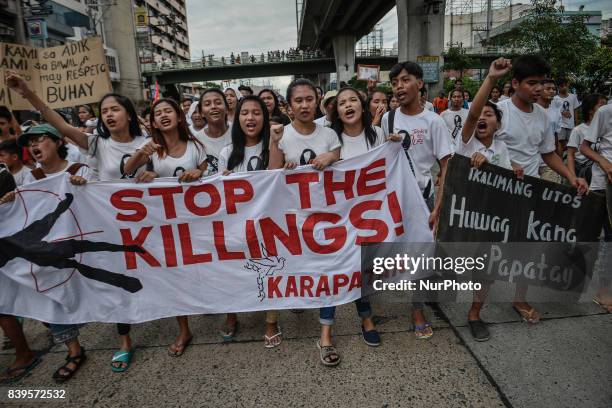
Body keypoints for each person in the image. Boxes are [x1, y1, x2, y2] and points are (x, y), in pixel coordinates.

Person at [6, 71, 148, 372]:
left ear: (128, 114)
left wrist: (151, 175)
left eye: (115, 109)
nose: (108, 114)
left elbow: (161, 176)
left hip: (144, 221)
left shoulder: (147, 142)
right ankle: (124, 341)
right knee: (115, 281)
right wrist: (28, 93)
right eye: (104, 110)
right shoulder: (96, 144)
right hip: (107, 222)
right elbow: (56, 122)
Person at [494, 55, 588, 323]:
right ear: (514, 83)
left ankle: (519, 298)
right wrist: (508, 164)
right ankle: (475, 306)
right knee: (490, 249)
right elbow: (488, 149)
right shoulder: (500, 111)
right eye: (532, 83)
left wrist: (572, 177)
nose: (538, 89)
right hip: (499, 191)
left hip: (530, 191)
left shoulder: (544, 117)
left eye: (542, 83)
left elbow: (548, 154)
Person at [1, 124, 92, 382]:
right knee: (47, 285)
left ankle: (124, 340)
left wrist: (84, 185)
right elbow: (27, 214)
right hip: (55, 247)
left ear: (57, 142)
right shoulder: (33, 178)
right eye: (31, 143)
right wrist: (11, 203)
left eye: (40, 140)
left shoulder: (80, 169)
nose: (34, 147)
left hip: (85, 242)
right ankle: (73, 350)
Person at [124, 98, 207, 356]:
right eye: (157, 113)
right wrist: (144, 164)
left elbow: (209, 172)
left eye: (167, 111)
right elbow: (127, 171)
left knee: (211, 268)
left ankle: (229, 315)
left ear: (179, 116)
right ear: (153, 121)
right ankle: (183, 328)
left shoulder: (195, 146)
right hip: (166, 225)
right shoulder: (149, 149)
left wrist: (198, 174)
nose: (163, 116)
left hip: (197, 222)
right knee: (174, 275)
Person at [382, 61, 452, 340]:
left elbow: (447, 165)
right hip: (393, 201)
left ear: (420, 84)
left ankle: (417, 310)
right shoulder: (387, 119)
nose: (399, 86)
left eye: (405, 80)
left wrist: (438, 205)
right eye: (395, 82)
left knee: (421, 256)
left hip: (423, 199)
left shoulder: (434, 121)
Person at [456, 58, 514, 341]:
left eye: (490, 115)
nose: (483, 117)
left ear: (498, 124)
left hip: (490, 222)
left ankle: (475, 313)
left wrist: (515, 172)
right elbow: (471, 114)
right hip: (461, 219)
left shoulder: (503, 148)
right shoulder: (467, 142)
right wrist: (490, 78)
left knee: (486, 270)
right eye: (481, 114)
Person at [217, 95, 283, 346]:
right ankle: (232, 315)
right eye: (245, 113)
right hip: (237, 225)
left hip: (268, 222)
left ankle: (271, 321)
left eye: (256, 113)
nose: (250, 118)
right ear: (237, 118)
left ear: (264, 118)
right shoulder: (227, 153)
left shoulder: (272, 145)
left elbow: (275, 177)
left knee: (270, 270)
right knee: (232, 272)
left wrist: (275, 143)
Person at [580, 103, 612, 313]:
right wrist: (605, 163)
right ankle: (604, 290)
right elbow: (584, 147)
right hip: (605, 184)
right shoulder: (605, 112)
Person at [567, 94, 607, 183]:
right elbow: (570, 155)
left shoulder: (606, 130)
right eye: (602, 105)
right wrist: (573, 177)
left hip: (601, 168)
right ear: (590, 110)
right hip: (584, 171)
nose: (605, 109)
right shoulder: (578, 130)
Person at [197, 88, 232, 175]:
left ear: (227, 109)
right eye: (207, 104)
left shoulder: (239, 132)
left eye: (218, 103)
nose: (213, 107)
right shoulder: (196, 140)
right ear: (201, 112)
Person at [537, 79, 563, 183]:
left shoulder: (556, 113)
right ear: (539, 90)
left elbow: (556, 138)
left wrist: (559, 160)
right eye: (548, 88)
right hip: (530, 162)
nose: (552, 91)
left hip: (549, 163)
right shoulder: (531, 109)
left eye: (553, 89)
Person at [553, 78, 581, 156]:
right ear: (558, 87)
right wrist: (562, 113)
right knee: (560, 143)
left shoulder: (573, 97)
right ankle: (560, 160)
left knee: (571, 144)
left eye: (566, 85)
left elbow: (575, 110)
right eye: (562, 86)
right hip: (560, 124)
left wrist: (576, 123)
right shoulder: (555, 99)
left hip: (570, 124)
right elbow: (553, 111)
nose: (564, 87)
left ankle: (570, 160)